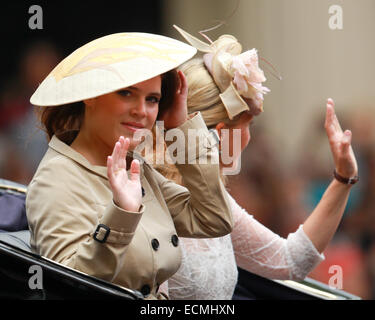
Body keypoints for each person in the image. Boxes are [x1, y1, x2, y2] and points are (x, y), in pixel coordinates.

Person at [154, 26, 359, 300]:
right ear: (220, 133)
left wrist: (343, 178)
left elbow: (290, 260)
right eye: (248, 125)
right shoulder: (151, 193)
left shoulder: (216, 201)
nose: (250, 139)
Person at [25, 32, 234, 300]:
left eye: (153, 99)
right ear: (91, 94)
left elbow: (213, 219)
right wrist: (122, 213)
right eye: (126, 93)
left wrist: (181, 127)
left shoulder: (134, 166)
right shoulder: (56, 178)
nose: (142, 111)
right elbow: (69, 285)